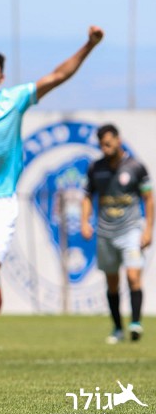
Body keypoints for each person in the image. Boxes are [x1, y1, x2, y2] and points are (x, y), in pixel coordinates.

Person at [0, 26, 104, 364]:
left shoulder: (14, 101)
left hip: (1, 202)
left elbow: (58, 75)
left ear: (1, 77)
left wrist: (89, 44)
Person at [81, 124, 153, 344]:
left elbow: (148, 198)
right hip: (105, 232)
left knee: (133, 276)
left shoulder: (135, 167)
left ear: (118, 140)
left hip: (131, 229)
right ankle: (118, 328)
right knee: (112, 282)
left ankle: (136, 323)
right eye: (102, 145)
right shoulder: (96, 168)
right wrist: (84, 221)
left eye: (108, 143)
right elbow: (87, 196)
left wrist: (148, 229)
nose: (105, 148)